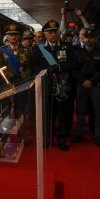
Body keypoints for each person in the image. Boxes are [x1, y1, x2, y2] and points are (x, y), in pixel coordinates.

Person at [31, 20, 76, 151]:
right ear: (44, 34)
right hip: (45, 86)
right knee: (46, 115)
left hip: (62, 86)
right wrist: (48, 70)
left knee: (63, 114)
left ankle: (62, 139)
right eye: (49, 32)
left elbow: (73, 64)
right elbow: (34, 67)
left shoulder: (67, 47)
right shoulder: (38, 49)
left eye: (55, 31)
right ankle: (46, 139)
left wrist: (59, 67)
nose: (52, 34)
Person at [70, 27, 100, 146]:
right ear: (83, 38)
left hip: (96, 85)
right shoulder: (77, 52)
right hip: (81, 85)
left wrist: (91, 81)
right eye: (86, 37)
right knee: (80, 111)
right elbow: (74, 69)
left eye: (91, 37)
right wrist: (83, 81)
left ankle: (98, 136)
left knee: (98, 111)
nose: (88, 40)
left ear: (96, 39)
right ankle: (79, 133)